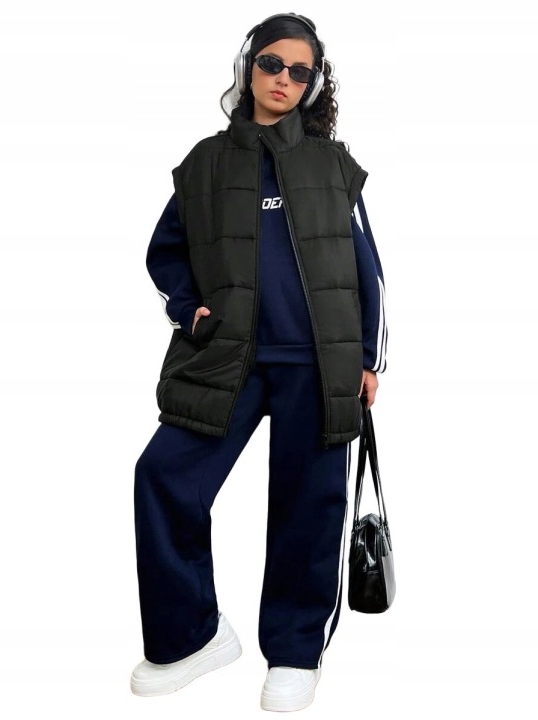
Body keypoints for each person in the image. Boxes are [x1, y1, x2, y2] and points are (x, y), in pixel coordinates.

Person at [130, 12, 388, 712]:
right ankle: (192, 635)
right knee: (162, 476)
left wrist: (370, 359)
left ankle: (296, 651)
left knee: (308, 507)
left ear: (312, 85)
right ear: (248, 66)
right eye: (272, 63)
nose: (283, 80)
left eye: (300, 72)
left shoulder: (332, 164)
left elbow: (368, 270)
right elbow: (165, 253)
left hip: (318, 363)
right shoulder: (205, 164)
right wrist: (190, 309)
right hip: (225, 357)